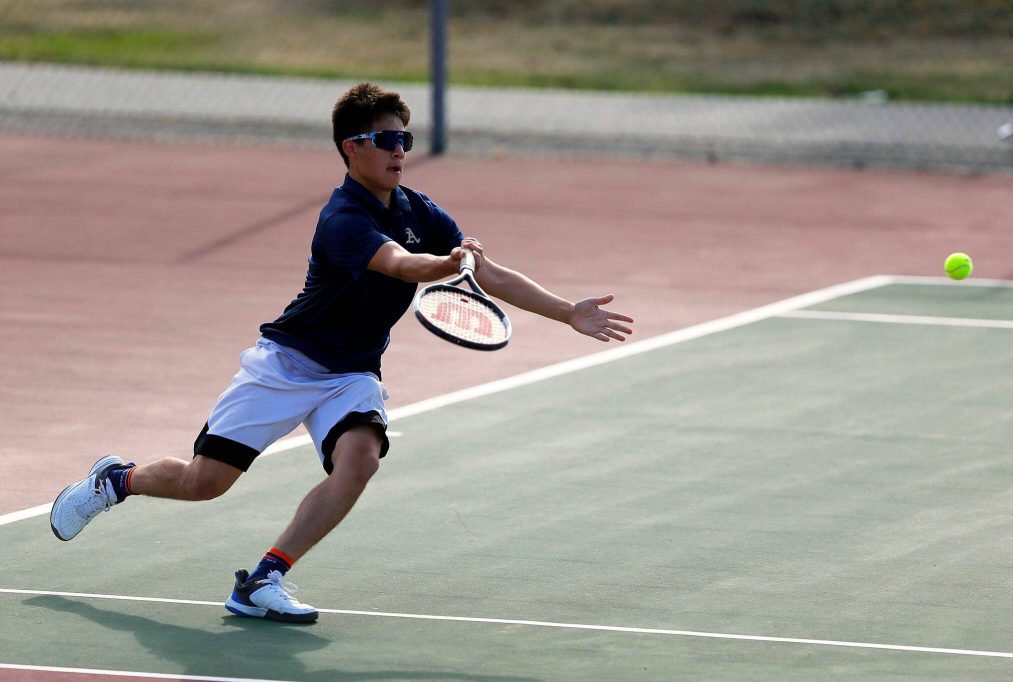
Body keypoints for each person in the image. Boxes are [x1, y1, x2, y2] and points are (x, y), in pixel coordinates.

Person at [48, 82, 634, 624]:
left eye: (405, 139)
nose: (400, 150)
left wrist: (567, 312)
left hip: (352, 373)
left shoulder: (417, 209)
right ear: (352, 148)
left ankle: (263, 580)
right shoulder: (343, 219)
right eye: (387, 140)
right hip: (286, 364)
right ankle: (116, 481)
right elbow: (402, 266)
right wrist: (448, 263)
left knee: (359, 461)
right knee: (205, 482)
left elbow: (493, 276)